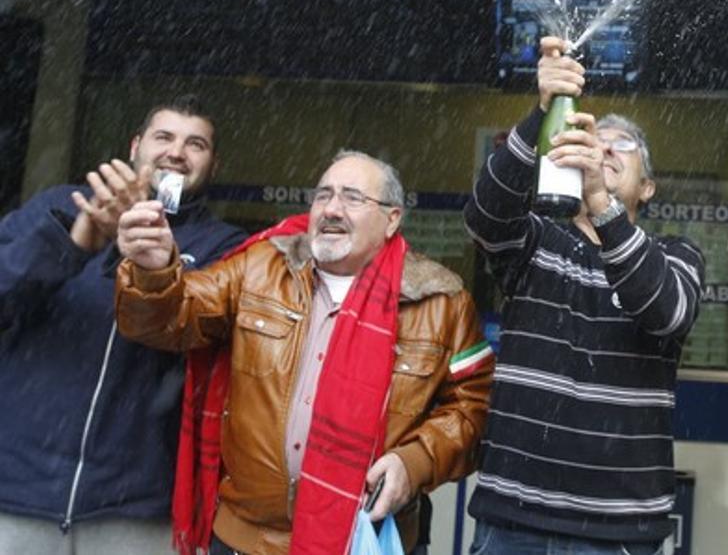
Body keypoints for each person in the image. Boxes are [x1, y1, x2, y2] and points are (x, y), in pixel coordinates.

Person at [114, 150, 493, 555]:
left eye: (351, 198)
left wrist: (413, 462)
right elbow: (169, 320)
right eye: (323, 195)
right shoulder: (260, 266)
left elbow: (474, 407)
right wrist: (154, 273)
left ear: (392, 219)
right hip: (246, 540)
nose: (331, 209)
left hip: (366, 540)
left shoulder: (440, 300)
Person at [463, 36, 705, 555]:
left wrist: (599, 200)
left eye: (624, 144)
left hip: (617, 535)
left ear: (648, 188)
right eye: (597, 138)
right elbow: (485, 217)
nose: (607, 147)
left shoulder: (678, 256)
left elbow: (666, 310)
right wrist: (542, 111)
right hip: (512, 521)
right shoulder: (538, 240)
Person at [0, 95, 246, 552]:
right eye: (164, 137)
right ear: (136, 145)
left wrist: (157, 269)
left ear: (213, 165)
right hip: (15, 491)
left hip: (136, 508)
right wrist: (74, 244)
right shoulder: (59, 205)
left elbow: (198, 335)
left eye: (196, 144)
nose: (177, 151)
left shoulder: (226, 247)